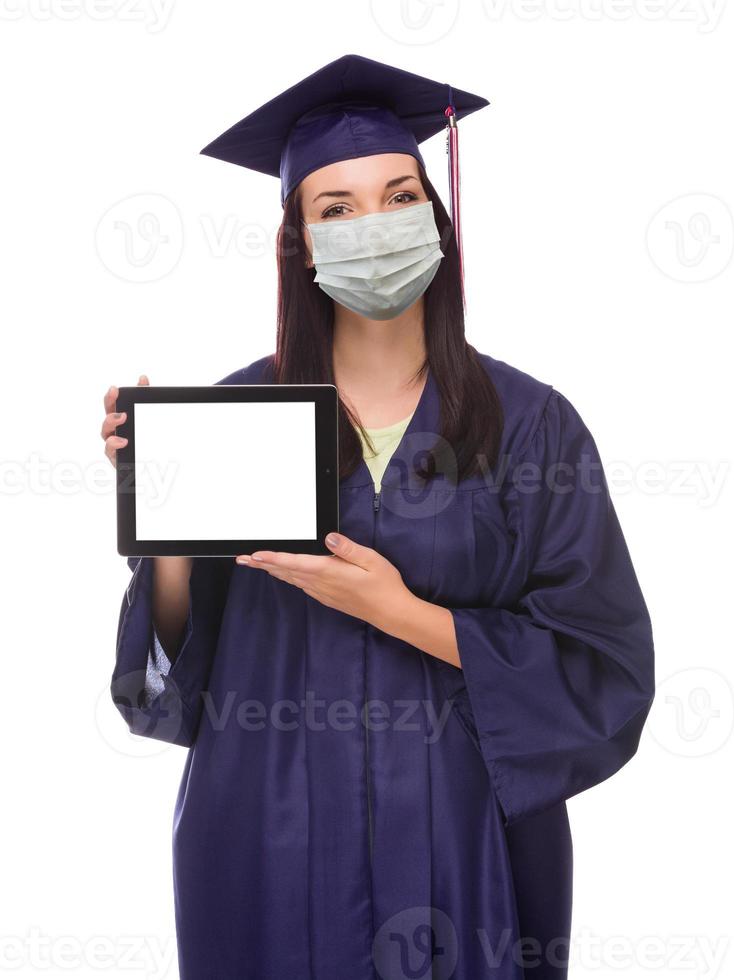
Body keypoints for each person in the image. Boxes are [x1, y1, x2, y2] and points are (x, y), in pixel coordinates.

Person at [100, 54, 656, 980]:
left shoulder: (531, 423)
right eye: (338, 210)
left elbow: (604, 666)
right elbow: (172, 683)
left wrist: (402, 613)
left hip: (467, 839)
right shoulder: (238, 415)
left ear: (436, 220)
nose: (377, 227)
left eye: (401, 196)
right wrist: (162, 523)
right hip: (265, 840)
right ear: (302, 245)